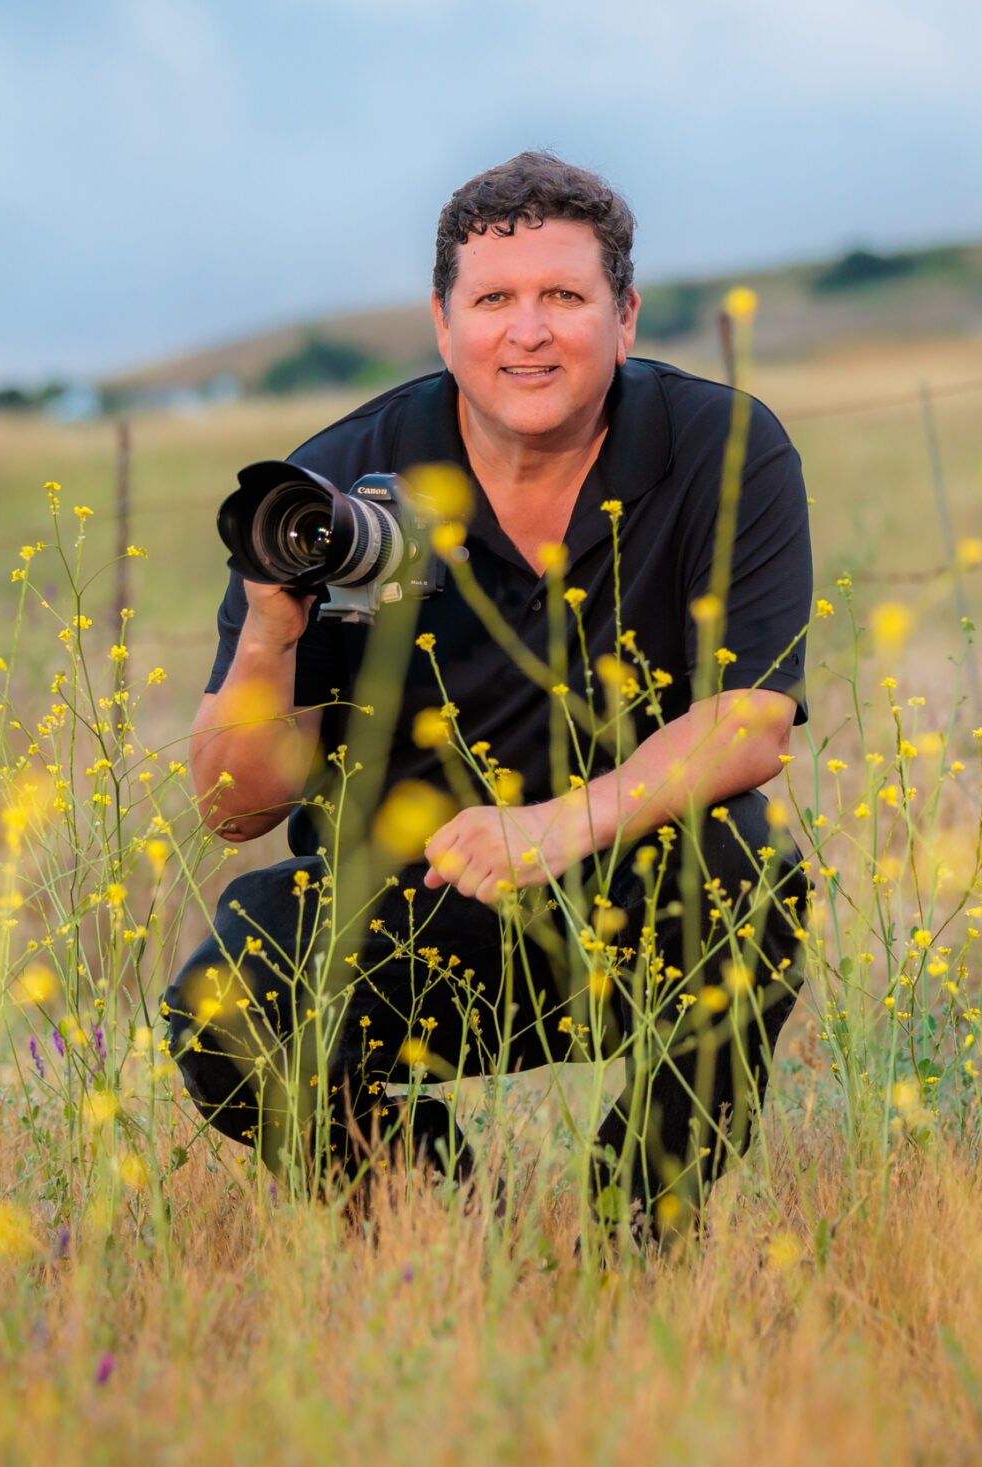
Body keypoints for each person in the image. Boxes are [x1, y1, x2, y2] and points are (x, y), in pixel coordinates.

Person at [168, 150, 813, 1240]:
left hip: (624, 890)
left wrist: (557, 827)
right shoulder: (339, 485)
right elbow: (237, 809)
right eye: (494, 300)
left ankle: (635, 1237)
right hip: (404, 910)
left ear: (626, 316)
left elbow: (750, 725)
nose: (529, 331)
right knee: (227, 1002)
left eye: (565, 296)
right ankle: (450, 1239)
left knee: (757, 882)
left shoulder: (721, 448)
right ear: (441, 322)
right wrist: (276, 627)